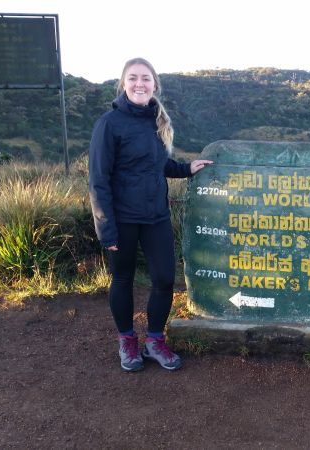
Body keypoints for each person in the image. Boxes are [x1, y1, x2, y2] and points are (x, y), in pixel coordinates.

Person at [89, 57, 213, 372]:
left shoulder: (156, 119)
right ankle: (127, 342)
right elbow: (99, 181)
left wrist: (187, 168)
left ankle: (155, 341)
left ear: (154, 84)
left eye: (145, 78)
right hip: (122, 218)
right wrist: (107, 230)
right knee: (123, 278)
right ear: (123, 83)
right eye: (133, 78)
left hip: (156, 215)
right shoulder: (109, 123)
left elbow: (158, 165)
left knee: (163, 279)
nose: (139, 84)